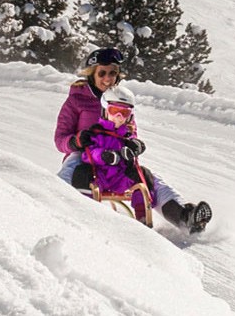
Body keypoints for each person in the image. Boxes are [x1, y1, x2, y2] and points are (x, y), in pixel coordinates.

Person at [55, 47, 212, 234]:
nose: (107, 78)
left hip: (115, 157)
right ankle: (54, 204)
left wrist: (133, 145)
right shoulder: (77, 100)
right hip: (85, 155)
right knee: (73, 169)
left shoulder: (121, 101)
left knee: (149, 179)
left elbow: (130, 131)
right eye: (102, 73)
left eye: (112, 73)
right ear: (92, 74)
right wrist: (77, 142)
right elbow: (60, 139)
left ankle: (184, 217)